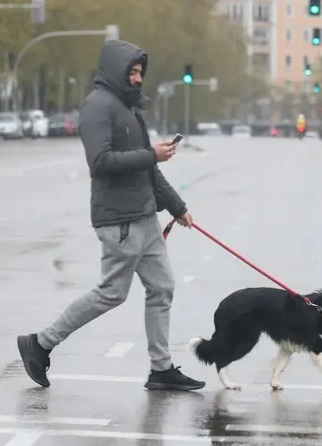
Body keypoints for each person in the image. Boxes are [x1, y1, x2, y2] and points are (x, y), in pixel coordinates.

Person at [17, 39, 205, 392]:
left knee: (162, 287)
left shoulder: (129, 108)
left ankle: (161, 369)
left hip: (145, 217)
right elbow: (99, 163)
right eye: (131, 72)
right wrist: (151, 154)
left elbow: (148, 170)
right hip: (119, 220)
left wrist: (177, 207)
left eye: (140, 73)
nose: (137, 79)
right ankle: (40, 343)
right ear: (116, 71)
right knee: (112, 293)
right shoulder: (97, 107)